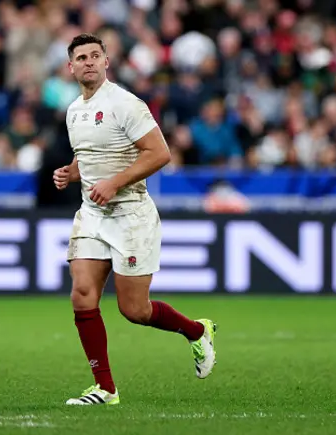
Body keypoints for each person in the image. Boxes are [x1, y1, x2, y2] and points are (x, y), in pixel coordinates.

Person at [52, 34, 217, 406]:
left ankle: (196, 331)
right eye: (81, 57)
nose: (89, 62)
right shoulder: (73, 110)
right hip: (93, 213)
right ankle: (105, 389)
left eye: (96, 55)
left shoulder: (126, 104)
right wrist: (72, 172)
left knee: (135, 311)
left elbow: (160, 153)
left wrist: (114, 182)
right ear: (71, 67)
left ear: (107, 62)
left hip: (131, 215)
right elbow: (91, 155)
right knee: (82, 295)